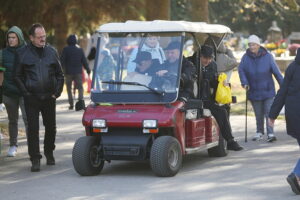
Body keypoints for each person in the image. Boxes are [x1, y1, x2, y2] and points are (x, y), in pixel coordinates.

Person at [15, 23, 64, 172]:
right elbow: (16, 76)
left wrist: (57, 92)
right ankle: (35, 158)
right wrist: (26, 93)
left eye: (44, 36)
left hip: (49, 97)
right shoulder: (22, 53)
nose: (43, 39)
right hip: (32, 98)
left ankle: (49, 152)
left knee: (51, 128)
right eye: (39, 37)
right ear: (31, 38)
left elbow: (60, 75)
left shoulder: (52, 51)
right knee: (33, 129)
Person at [197, 45, 243, 151]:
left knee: (224, 108)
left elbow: (212, 81)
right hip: (196, 97)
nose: (207, 61)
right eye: (205, 58)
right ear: (200, 56)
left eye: (210, 58)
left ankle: (228, 140)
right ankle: (230, 140)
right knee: (221, 111)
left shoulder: (212, 65)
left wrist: (220, 81)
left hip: (207, 96)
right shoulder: (192, 63)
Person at [238, 35, 283, 142]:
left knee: (269, 112)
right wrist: (244, 82)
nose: (251, 47)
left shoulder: (268, 56)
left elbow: (276, 72)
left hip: (267, 90)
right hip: (253, 90)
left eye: (253, 44)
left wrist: (283, 85)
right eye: (249, 45)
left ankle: (270, 133)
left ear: (258, 45)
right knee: (258, 114)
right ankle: (259, 132)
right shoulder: (245, 57)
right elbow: (241, 70)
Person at [268, 49, 300, 195]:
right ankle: (296, 175)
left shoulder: (292, 67)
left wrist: (272, 114)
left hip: (293, 115)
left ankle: (297, 178)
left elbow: (283, 91)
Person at [0, 26, 28, 157]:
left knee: (28, 119)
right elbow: (1, 73)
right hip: (9, 92)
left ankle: (32, 146)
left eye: (13, 37)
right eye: (9, 38)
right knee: (12, 120)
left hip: (24, 92)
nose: (11, 40)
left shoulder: (27, 51)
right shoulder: (3, 53)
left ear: (19, 38)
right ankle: (13, 145)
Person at [61, 34, 90, 110]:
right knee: (80, 88)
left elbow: (62, 61)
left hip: (68, 72)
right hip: (78, 72)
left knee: (69, 88)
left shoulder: (65, 49)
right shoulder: (79, 50)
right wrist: (88, 69)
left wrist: (60, 70)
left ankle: (71, 104)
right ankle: (80, 103)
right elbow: (84, 61)